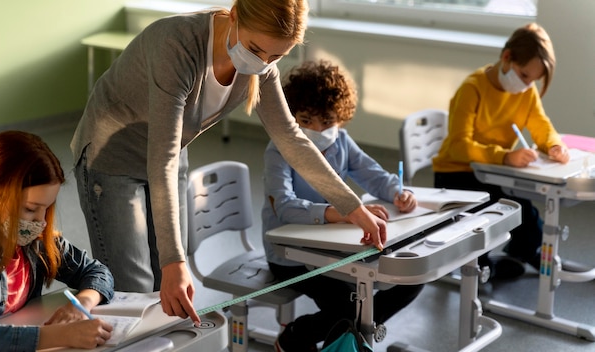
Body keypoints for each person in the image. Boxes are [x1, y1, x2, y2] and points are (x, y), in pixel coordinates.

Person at [71, 0, 389, 324]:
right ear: (234, 14)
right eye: (256, 48)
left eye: (276, 56)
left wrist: (353, 208)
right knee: (136, 287)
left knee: (168, 285)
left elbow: (291, 140)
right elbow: (162, 157)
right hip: (113, 157)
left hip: (169, 153)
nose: (262, 62)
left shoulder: (261, 66)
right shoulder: (177, 45)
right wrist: (173, 261)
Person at [261, 60, 423, 352]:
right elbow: (284, 207)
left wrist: (399, 192)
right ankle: (297, 336)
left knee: (410, 280)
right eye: (306, 120)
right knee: (351, 304)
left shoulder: (342, 143)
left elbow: (373, 175)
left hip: (332, 249)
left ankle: (351, 334)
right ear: (291, 116)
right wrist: (346, 214)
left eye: (327, 122)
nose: (317, 130)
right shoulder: (279, 150)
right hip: (290, 256)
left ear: (341, 119)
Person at [432, 22, 570, 279]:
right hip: (456, 174)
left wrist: (553, 145)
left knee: (528, 216)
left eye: (534, 80)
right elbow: (459, 146)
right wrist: (504, 156)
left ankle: (520, 254)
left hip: (492, 172)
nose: (528, 85)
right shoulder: (472, 88)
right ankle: (485, 268)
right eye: (525, 76)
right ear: (506, 58)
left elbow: (542, 125)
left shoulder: (526, 93)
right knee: (490, 216)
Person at [0, 131, 115, 351]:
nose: (41, 222)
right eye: (30, 209)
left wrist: (82, 303)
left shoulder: (35, 242)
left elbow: (98, 272)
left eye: (46, 209)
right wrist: (61, 336)